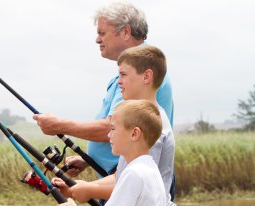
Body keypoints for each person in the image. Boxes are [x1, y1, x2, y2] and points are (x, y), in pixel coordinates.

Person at [53, 45, 179, 206]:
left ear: (147, 76)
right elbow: (123, 180)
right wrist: (80, 190)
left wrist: (83, 200)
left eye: (123, 74)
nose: (118, 81)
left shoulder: (150, 129)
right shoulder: (140, 136)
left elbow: (129, 190)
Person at [33, 1, 174, 180]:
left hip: (128, 177)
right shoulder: (128, 75)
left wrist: (59, 126)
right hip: (120, 173)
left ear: (125, 32)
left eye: (102, 33)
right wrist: (90, 159)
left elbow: (113, 126)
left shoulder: (142, 73)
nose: (97, 39)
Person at [57, 99, 168, 206]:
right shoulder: (148, 169)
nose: (109, 135)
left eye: (113, 129)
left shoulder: (134, 174)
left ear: (134, 133)